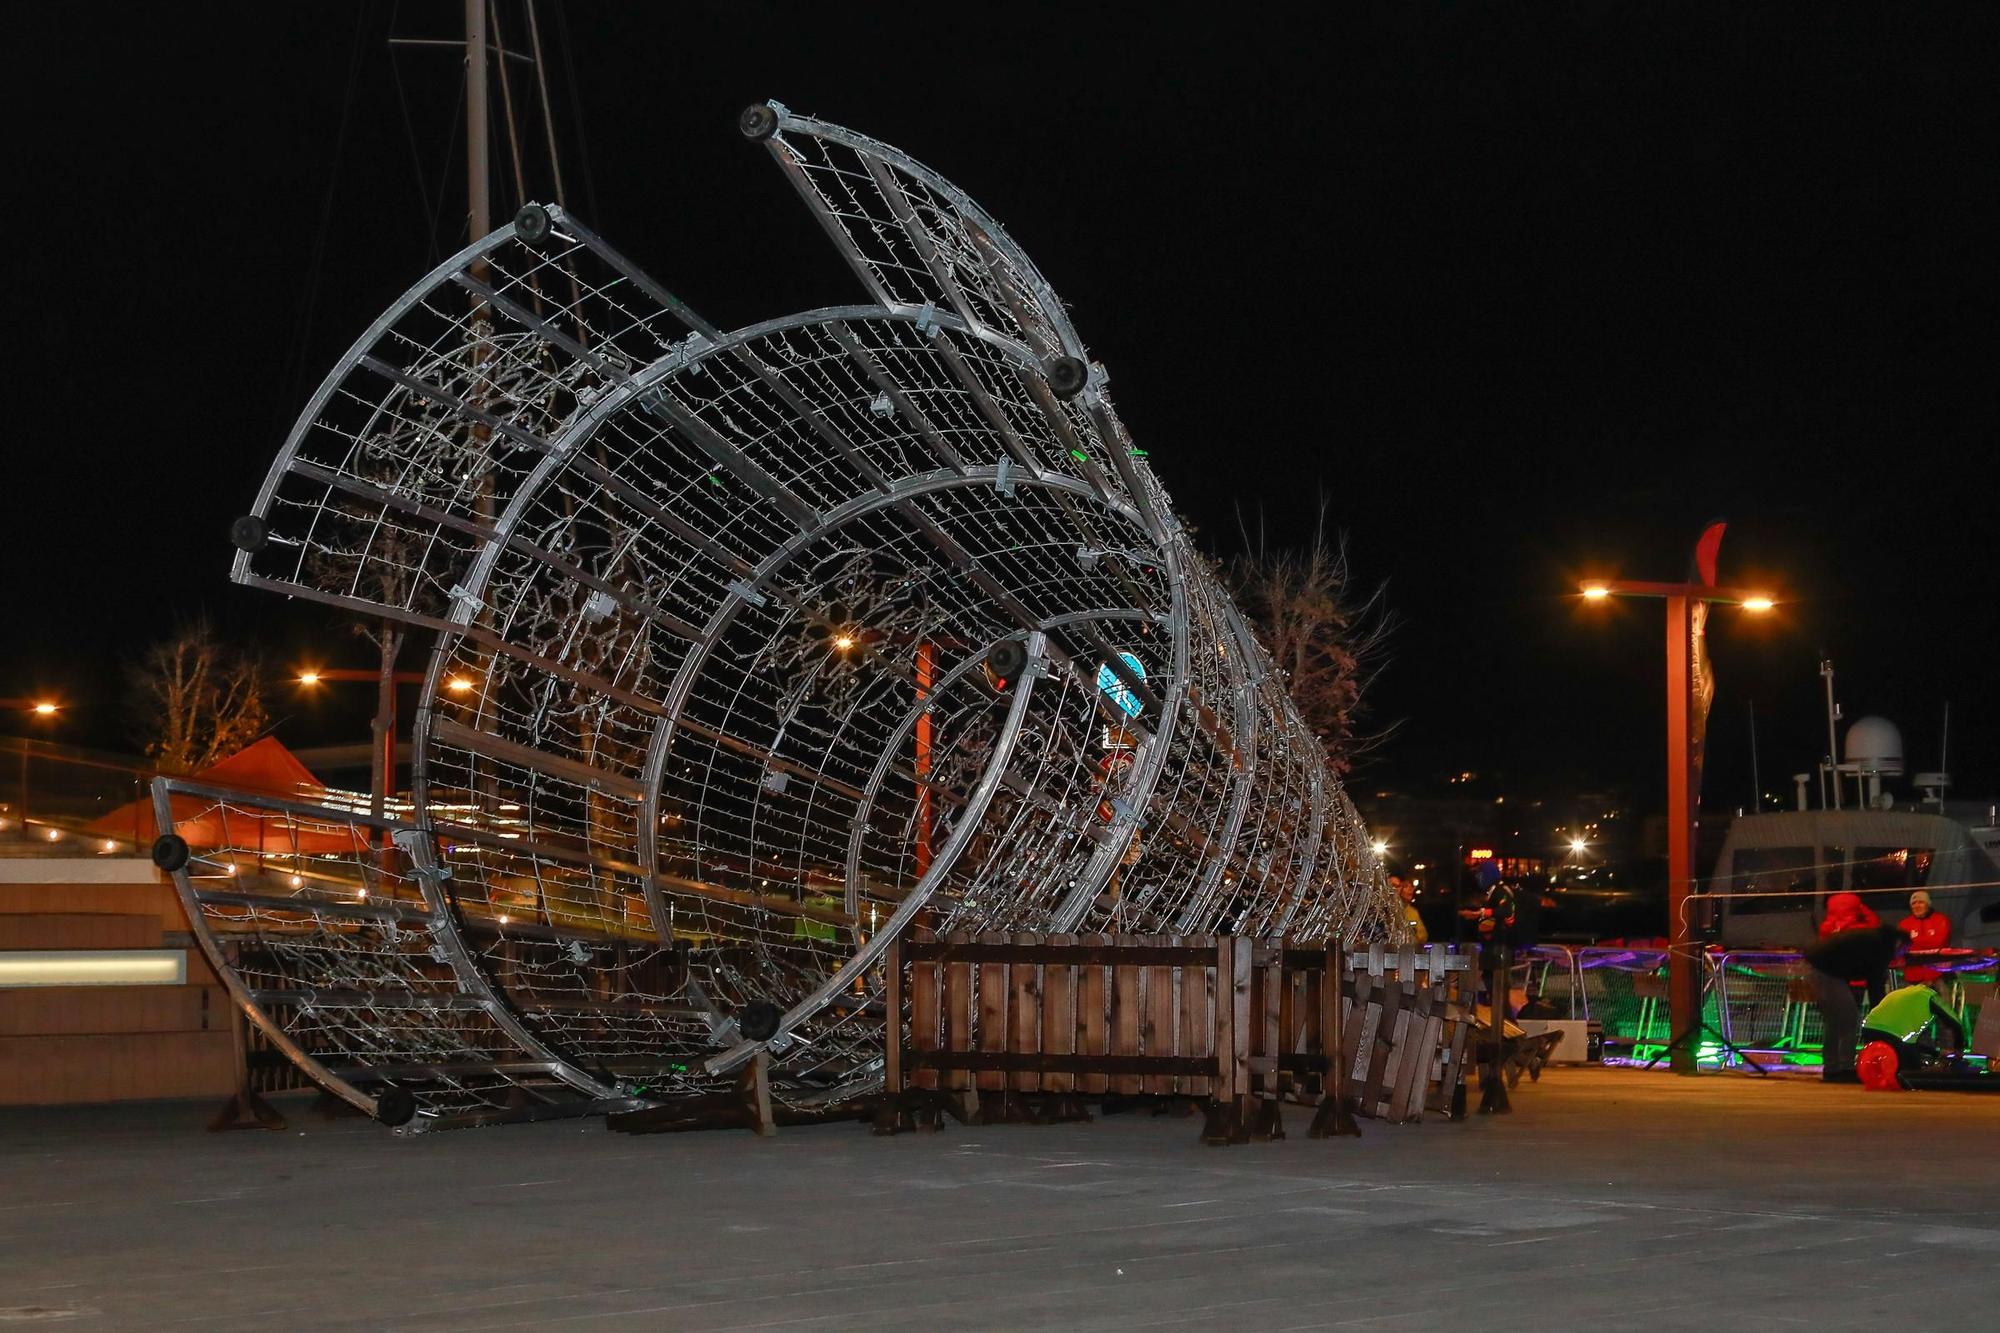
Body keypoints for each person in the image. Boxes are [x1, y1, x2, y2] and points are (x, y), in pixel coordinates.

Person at [1802, 923, 1906, 1082]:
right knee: (1848, 1019)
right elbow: (1875, 985)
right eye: (1903, 950)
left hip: (1818, 967)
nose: (1900, 955)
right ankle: (1845, 1068)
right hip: (1827, 972)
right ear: (1899, 943)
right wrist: (1880, 1014)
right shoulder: (1882, 948)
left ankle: (1831, 1068)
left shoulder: (1872, 938)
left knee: (1834, 1021)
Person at [1897, 890, 1951, 986]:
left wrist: (1913, 943)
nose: (1917, 906)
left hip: (1937, 974)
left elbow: (1938, 942)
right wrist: (1925, 943)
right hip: (1912, 975)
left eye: (1921, 902)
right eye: (1914, 903)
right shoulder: (1904, 924)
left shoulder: (1941, 920)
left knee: (1939, 1000)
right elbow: (1902, 946)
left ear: (1928, 904)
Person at [1391, 874, 1428, 945]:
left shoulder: (1413, 912)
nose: (1410, 890)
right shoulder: (1390, 910)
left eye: (1412, 886)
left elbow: (1423, 936)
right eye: (1406, 886)